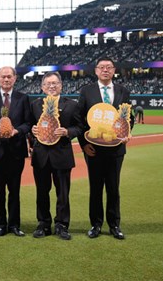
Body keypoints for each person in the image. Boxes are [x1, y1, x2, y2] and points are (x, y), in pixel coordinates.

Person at [77, 57, 134, 240]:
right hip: (93, 149)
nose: (105, 70)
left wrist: (126, 133)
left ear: (114, 70)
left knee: (113, 188)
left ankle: (114, 224)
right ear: (96, 71)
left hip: (116, 149)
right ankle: (95, 224)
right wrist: (84, 144)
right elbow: (79, 120)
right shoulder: (87, 91)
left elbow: (128, 118)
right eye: (102, 67)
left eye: (109, 67)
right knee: (95, 188)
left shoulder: (123, 91)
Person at [29, 72, 81, 240]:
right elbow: (29, 125)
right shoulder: (35, 105)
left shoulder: (72, 105)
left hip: (62, 153)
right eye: (48, 84)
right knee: (42, 192)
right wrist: (32, 131)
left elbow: (80, 127)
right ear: (42, 87)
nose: (52, 86)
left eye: (55, 83)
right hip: (41, 155)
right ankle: (43, 224)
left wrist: (68, 132)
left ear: (61, 86)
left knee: (63, 193)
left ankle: (62, 225)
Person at [0, 66, 32, 237]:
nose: (6, 79)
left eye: (9, 76)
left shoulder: (23, 98)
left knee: (15, 190)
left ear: (15, 78)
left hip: (16, 150)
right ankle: (0, 224)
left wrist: (17, 131)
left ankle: (15, 225)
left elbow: (28, 123)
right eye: (3, 77)